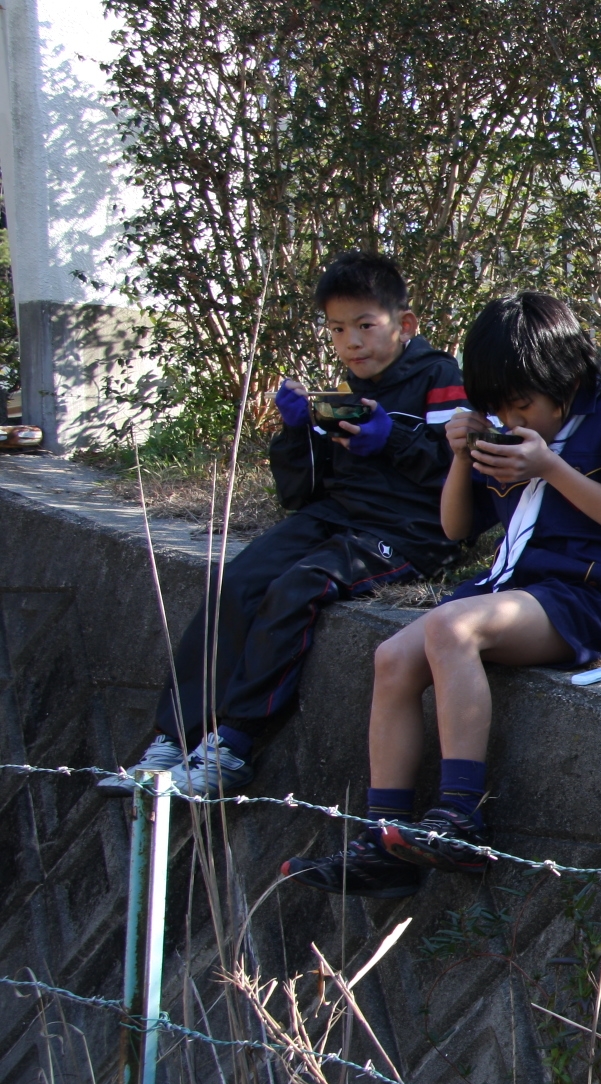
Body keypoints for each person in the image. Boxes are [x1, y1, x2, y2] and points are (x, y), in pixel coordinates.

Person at [282, 292, 601, 898]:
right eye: (497, 408)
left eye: (522, 405)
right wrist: (460, 456)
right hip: (512, 590)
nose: (512, 419)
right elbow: (455, 528)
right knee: (392, 658)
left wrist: (549, 467)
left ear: (566, 376)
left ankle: (461, 819)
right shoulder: (512, 430)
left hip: (597, 597)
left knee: (452, 628)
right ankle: (383, 838)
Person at [99, 251, 469, 797]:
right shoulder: (346, 389)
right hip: (336, 515)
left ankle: (233, 745)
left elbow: (461, 477)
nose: (352, 342)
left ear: (405, 324)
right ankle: (174, 738)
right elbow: (298, 495)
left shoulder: (441, 379)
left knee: (298, 587)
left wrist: (390, 438)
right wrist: (296, 432)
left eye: (366, 325)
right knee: (240, 580)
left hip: (410, 531)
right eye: (338, 329)